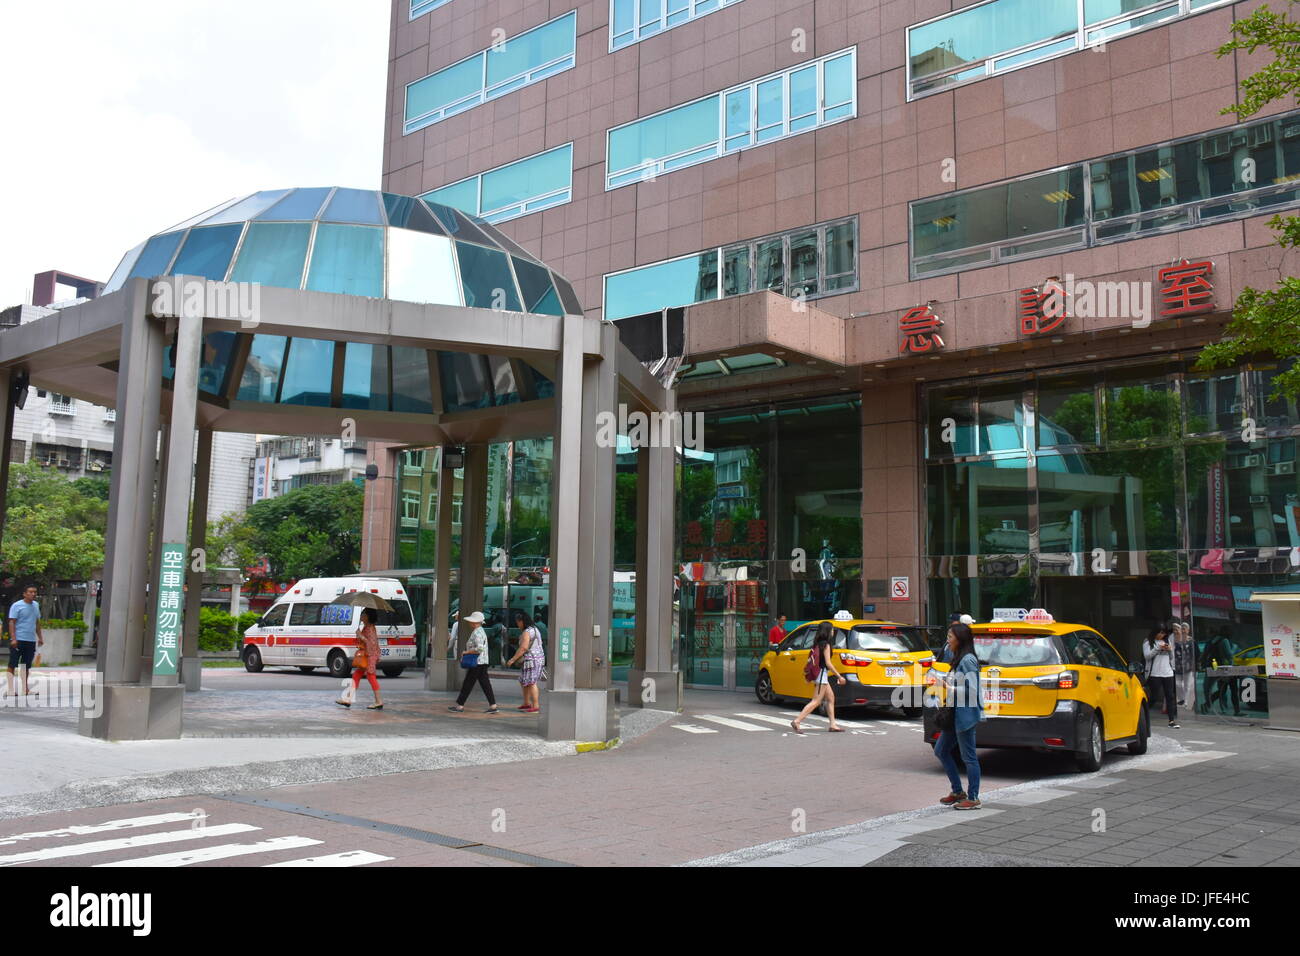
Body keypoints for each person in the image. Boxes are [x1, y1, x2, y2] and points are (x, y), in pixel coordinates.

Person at [934, 622, 984, 810]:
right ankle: (957, 791)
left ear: (960, 639)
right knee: (941, 750)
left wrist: (949, 687)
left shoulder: (968, 660)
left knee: (969, 757)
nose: (947, 640)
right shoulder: (958, 657)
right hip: (955, 713)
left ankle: (973, 797)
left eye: (950, 636)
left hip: (966, 714)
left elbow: (972, 690)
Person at [790, 621, 846, 734]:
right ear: (828, 631)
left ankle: (833, 725)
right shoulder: (826, 644)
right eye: (832, 629)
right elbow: (828, 663)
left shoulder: (817, 643)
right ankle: (797, 721)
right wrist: (839, 676)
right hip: (822, 675)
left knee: (830, 698)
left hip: (820, 674)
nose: (833, 631)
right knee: (816, 701)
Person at [449, 610, 497, 714]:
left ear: (475, 622)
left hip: (477, 662)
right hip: (482, 662)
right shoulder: (481, 631)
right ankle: (493, 705)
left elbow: (479, 648)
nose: (470, 623)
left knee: (468, 683)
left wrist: (466, 652)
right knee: (485, 684)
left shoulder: (477, 632)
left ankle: (460, 706)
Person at [337, 607, 383, 710]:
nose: (361, 616)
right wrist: (359, 636)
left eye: (363, 614)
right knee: (356, 675)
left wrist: (360, 636)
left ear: (367, 617)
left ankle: (378, 701)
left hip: (369, 656)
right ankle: (348, 699)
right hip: (367, 656)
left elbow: (370, 643)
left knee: (371, 677)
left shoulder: (370, 628)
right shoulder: (367, 627)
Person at [6, 585, 44, 698]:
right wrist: (13, 638)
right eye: (31, 592)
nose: (33, 594)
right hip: (18, 639)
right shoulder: (17, 605)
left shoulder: (36, 605)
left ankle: (25, 689)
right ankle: (10, 689)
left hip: (30, 640)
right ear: (24, 593)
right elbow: (11, 622)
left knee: (26, 665)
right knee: (12, 664)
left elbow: (37, 622)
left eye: (35, 592)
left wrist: (40, 637)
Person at [504, 610, 545, 713]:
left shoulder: (527, 632)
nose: (517, 624)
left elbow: (523, 648)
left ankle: (535, 705)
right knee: (524, 681)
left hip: (532, 660)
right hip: (538, 658)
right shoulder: (535, 629)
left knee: (531, 682)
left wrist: (512, 659)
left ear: (522, 621)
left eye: (517, 622)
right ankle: (526, 703)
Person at [1144, 624, 1179, 728]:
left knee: (1170, 696)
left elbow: (1172, 657)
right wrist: (1158, 648)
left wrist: (1169, 650)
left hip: (1168, 672)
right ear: (1155, 632)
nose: (1162, 635)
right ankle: (1142, 715)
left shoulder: (1167, 641)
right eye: (1160, 632)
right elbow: (1147, 656)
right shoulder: (1148, 642)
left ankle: (1171, 721)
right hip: (1155, 673)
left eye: (1163, 633)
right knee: (1154, 696)